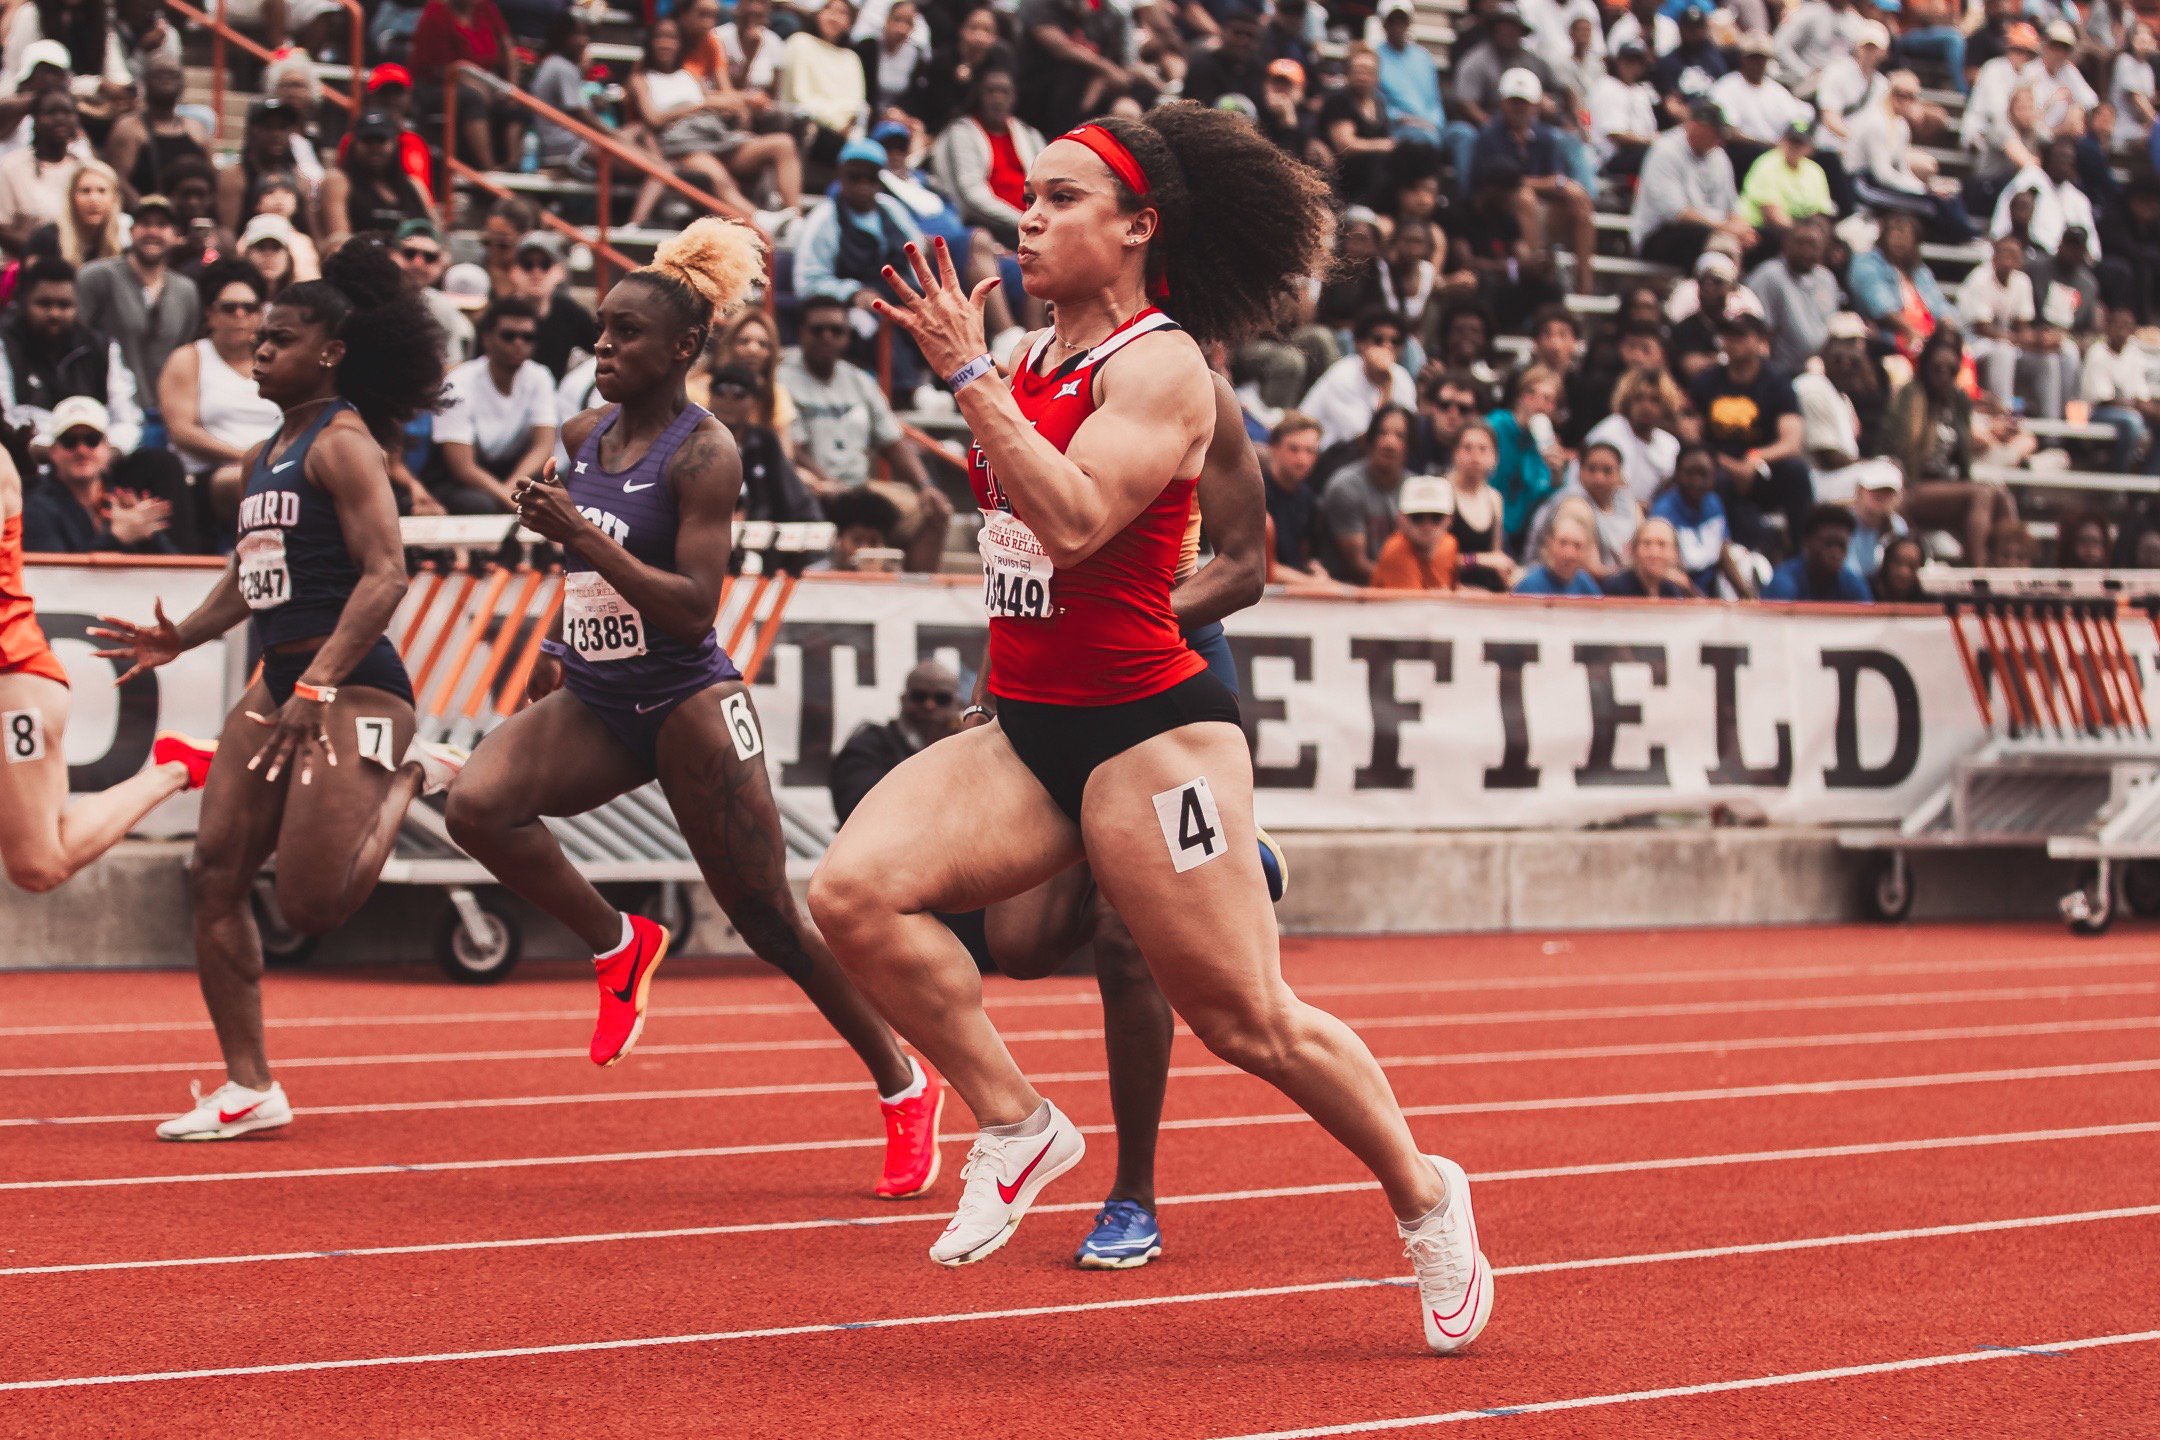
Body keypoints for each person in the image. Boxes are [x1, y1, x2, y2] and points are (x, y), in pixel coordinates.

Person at [814, 103, 1489, 1350]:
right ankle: (1018, 1122)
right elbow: (1020, 556)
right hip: (1027, 726)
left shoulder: (1164, 365)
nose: (1028, 215)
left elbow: (1073, 520)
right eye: (1027, 194)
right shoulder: (1023, 359)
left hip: (1148, 736)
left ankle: (1426, 1194)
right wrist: (982, 379)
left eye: (1064, 198)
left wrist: (968, 377)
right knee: (851, 894)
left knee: (1249, 1023)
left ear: (1137, 228)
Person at [441, 219, 941, 1197]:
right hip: (595, 694)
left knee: (770, 922)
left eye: (624, 336)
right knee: (477, 807)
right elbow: (588, 577)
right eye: (597, 333)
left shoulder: (703, 455)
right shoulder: (581, 433)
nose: (601, 352)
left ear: (682, 351)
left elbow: (691, 606)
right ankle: (620, 942)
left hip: (688, 700)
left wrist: (577, 535)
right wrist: (554, 643)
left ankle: (901, 1082)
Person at [90, 239, 462, 1141]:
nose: (259, 348)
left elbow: (385, 576)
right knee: (212, 871)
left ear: (329, 352)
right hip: (280, 684)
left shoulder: (342, 446)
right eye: (259, 335)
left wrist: (324, 683)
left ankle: (416, 776)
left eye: (280, 338)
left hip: (357, 688)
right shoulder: (266, 452)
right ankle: (248, 1084)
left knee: (312, 904)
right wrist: (182, 634)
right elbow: (251, 571)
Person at [0, 426, 211, 891]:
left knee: (38, 865)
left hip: (12, 686)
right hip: (18, 681)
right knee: (41, 853)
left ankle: (176, 770)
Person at [778, 293, 951, 570]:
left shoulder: (860, 380)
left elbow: (892, 442)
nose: (827, 337)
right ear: (801, 332)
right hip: (810, 486)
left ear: (847, 336)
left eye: (836, 331)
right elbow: (791, 449)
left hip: (860, 487)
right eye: (817, 329)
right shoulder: (781, 377)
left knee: (936, 510)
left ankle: (915, 594)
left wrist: (925, 486)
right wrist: (830, 485)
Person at [158, 259, 281, 536]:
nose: (239, 315)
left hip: (278, 462)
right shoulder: (189, 358)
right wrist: (248, 457)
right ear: (210, 314)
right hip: (214, 473)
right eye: (229, 308)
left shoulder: (276, 360)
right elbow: (182, 432)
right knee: (250, 479)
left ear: (261, 314)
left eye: (249, 308)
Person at [1885, 330, 2018, 561]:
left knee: (2001, 496)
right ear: (1927, 365)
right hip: (1913, 485)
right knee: (1982, 493)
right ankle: (1978, 572)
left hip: (1950, 486)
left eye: (1950, 369)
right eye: (1938, 368)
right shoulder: (1910, 395)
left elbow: (1962, 456)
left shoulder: (1959, 401)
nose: (1943, 375)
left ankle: (2013, 566)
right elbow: (1898, 449)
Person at [75, 190, 197, 439]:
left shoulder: (186, 291)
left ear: (175, 235)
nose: (152, 232)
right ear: (131, 231)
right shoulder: (98, 277)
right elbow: (77, 340)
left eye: (162, 225)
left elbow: (185, 354)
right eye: (145, 224)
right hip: (109, 412)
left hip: (164, 416)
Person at [0, 256, 145, 454]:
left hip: (94, 457)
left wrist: (108, 454)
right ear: (23, 302)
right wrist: (57, 454)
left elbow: (127, 420)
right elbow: (6, 422)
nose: (54, 314)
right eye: (44, 304)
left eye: (64, 305)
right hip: (29, 462)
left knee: (159, 463)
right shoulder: (5, 344)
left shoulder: (100, 346)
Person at [1689, 310, 1805, 552]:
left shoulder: (1777, 383)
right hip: (1717, 466)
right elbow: (1691, 437)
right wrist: (1731, 466)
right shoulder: (1706, 382)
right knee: (1707, 478)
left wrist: (1755, 459)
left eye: (1740, 336)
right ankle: (1715, 551)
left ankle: (1801, 548)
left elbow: (1792, 442)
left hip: (1760, 468)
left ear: (1759, 340)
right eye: (1727, 336)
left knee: (1796, 472)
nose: (1732, 342)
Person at [431, 298, 558, 513]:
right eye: (508, 336)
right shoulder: (459, 382)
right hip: (458, 479)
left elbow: (543, 446)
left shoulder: (540, 376)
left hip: (512, 474)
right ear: (487, 339)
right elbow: (463, 467)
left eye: (528, 337)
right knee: (480, 504)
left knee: (554, 489)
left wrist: (512, 489)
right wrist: (507, 497)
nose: (519, 343)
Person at [19, 396, 174, 555]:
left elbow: (175, 570)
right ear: (53, 452)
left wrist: (148, 533)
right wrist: (116, 538)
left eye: (92, 440)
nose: (82, 450)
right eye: (69, 441)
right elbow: (53, 574)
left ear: (107, 448)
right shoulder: (35, 509)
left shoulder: (122, 503)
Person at [1958, 231, 2074, 419]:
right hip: (1972, 344)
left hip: (2005, 342)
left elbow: (2022, 326)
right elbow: (1983, 328)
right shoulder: (1979, 278)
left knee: (2048, 359)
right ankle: (2004, 415)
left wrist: (2038, 341)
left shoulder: (2021, 281)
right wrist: (2024, 339)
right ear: (1994, 256)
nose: (2008, 258)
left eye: (2014, 254)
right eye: (2004, 253)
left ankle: (2052, 426)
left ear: (2021, 259)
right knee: (2004, 351)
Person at [831, 660, 963, 820]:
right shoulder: (868, 747)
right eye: (919, 696)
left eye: (942, 698)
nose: (929, 705)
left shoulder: (966, 752)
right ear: (903, 700)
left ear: (957, 705)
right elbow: (858, 809)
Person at [1631, 96, 1752, 269]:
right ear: (1696, 127)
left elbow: (1731, 207)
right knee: (1700, 236)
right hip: (1660, 235)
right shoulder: (1665, 150)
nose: (1719, 140)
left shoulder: (1719, 156)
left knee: (1765, 238)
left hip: (1711, 227)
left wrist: (1742, 228)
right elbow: (1677, 214)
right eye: (1714, 133)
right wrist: (1724, 228)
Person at [930, 69, 1044, 246]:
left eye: (1004, 92)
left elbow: (1047, 182)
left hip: (1036, 224)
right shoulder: (962, 133)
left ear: (1013, 97)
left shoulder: (1030, 135)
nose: (998, 99)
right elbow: (971, 195)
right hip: (993, 229)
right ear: (979, 95)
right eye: (991, 91)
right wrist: (1023, 221)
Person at [1319, 404, 1413, 583]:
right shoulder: (1345, 486)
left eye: (1400, 436)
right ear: (1370, 439)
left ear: (1410, 445)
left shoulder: (1414, 487)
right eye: (1382, 433)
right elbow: (1358, 565)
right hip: (1349, 592)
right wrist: (1407, 585)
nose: (1389, 443)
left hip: (1403, 588)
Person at [318, 110, 438, 250]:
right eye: (367, 141)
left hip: (416, 262)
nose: (375, 148)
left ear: (394, 143)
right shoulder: (339, 181)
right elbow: (339, 241)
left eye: (381, 140)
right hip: (363, 262)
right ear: (354, 143)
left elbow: (437, 236)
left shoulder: (414, 185)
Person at [1299, 308, 1415, 450]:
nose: (1387, 346)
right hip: (1321, 453)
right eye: (1378, 340)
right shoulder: (1343, 375)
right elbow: (1366, 442)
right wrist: (1386, 385)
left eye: (1395, 341)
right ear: (1360, 344)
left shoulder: (1402, 377)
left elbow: (1408, 434)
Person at [102, 53, 210, 200]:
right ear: (145, 81)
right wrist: (149, 209)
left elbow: (210, 178)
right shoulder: (129, 128)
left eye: (173, 75)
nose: (166, 79)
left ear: (183, 84)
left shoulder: (196, 129)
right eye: (158, 74)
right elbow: (117, 179)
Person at [1524, 439, 1640, 577]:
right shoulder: (1574, 505)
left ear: (1620, 474)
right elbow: (1591, 570)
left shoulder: (1626, 500)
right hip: (1551, 580)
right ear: (1579, 471)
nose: (1599, 478)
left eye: (1607, 471)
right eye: (1592, 469)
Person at [1746, 216, 1839, 377]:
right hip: (1784, 370)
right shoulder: (1770, 275)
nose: (1807, 251)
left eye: (1813, 245)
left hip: (1822, 366)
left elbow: (1831, 326)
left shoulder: (1826, 278)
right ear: (1786, 244)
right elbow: (1760, 334)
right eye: (1801, 243)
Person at [1652, 442, 1743, 596]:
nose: (1696, 482)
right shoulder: (1663, 512)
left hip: (1710, 584)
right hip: (1676, 592)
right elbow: (1671, 573)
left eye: (1703, 474)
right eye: (1689, 473)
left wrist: (1747, 596)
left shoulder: (1714, 502)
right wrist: (1701, 603)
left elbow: (1723, 552)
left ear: (1715, 475)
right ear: (1677, 473)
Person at [1583, 365, 1681, 506]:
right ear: (1628, 401)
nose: (1646, 406)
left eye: (1655, 400)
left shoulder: (1670, 444)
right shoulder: (1609, 431)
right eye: (1639, 398)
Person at [0, 89, 78, 255]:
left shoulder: (83, 167)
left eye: (67, 112)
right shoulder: (12, 166)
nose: (60, 119)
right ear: (34, 120)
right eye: (51, 113)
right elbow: (2, 228)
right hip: (24, 262)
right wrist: (44, 250)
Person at [1263, 409, 1326, 577]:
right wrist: (1314, 584)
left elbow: (1308, 557)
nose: (1302, 460)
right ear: (1274, 448)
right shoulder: (1255, 494)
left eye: (1310, 451)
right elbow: (1259, 567)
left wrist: (1317, 571)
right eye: (1293, 449)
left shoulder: (1308, 499)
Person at [1762, 502, 1870, 600]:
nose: (1835, 552)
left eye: (1842, 545)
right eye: (1829, 544)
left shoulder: (1853, 585)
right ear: (1807, 543)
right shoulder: (1784, 584)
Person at [1369, 473, 1457, 589]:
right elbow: (1414, 606)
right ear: (1401, 518)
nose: (1427, 526)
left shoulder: (1449, 544)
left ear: (1449, 519)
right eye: (1417, 516)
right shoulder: (1396, 550)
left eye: (1436, 517)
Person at [1511, 502, 1600, 594]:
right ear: (1549, 543)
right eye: (1563, 543)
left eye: (1577, 546)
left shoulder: (1584, 583)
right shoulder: (1530, 585)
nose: (1569, 554)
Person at [1600, 516, 1691, 596]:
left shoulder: (1670, 589)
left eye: (1662, 545)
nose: (1654, 553)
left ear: (1675, 553)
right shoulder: (1616, 588)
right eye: (1646, 544)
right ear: (1634, 550)